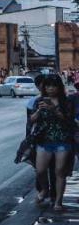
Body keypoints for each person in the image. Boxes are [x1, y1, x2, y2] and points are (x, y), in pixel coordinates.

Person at [29, 75, 74, 211]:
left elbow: (67, 120)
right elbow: (32, 120)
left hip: (62, 140)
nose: (50, 88)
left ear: (59, 87)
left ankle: (58, 202)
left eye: (53, 86)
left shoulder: (66, 102)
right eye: (48, 86)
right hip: (44, 140)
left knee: (60, 171)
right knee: (40, 170)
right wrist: (39, 110)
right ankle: (44, 189)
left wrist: (54, 109)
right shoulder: (39, 101)